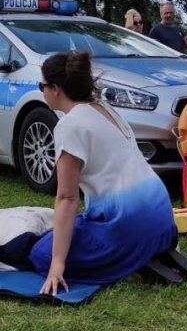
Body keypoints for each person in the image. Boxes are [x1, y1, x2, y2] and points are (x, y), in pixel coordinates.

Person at [34, 51, 177, 295]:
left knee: (40, 253)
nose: (42, 92)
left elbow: (67, 198)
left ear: (56, 88)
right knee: (69, 229)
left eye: (42, 86)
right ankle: (140, 253)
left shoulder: (70, 126)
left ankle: (126, 262)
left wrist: (57, 264)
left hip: (131, 230)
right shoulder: (106, 109)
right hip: (165, 226)